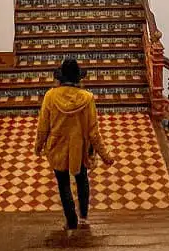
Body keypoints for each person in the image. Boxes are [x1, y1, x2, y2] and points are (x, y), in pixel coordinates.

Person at [34, 56, 114, 232]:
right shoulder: (87, 98)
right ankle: (84, 217)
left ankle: (71, 221)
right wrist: (105, 155)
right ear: (78, 77)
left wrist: (38, 147)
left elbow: (43, 127)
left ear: (60, 77)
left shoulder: (50, 96)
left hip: (57, 147)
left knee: (63, 184)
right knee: (82, 179)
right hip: (80, 148)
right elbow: (94, 132)